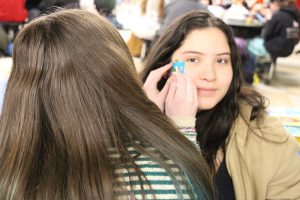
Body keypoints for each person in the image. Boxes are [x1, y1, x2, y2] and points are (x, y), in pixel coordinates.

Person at [0, 9, 214, 199]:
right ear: (121, 75)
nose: (209, 74)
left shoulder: (11, 173)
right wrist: (179, 130)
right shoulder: (166, 174)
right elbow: (190, 189)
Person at [141, 10, 300, 200]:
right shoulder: (127, 127)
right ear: (165, 68)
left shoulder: (266, 136)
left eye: (221, 60)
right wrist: (149, 124)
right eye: (193, 59)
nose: (210, 75)